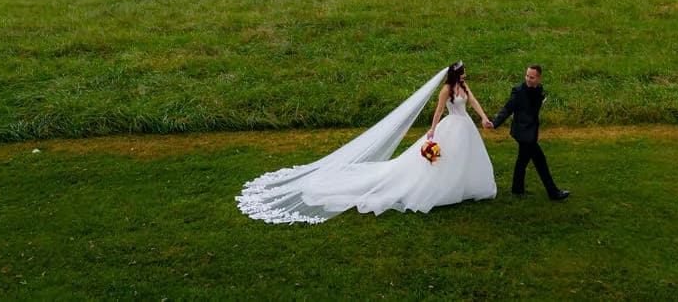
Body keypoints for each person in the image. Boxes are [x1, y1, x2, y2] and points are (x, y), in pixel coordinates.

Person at [236, 61, 496, 224]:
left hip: (466, 128)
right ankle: (443, 189)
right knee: (441, 161)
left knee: (465, 159)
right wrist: (431, 132)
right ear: (455, 75)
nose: (466, 75)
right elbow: (438, 112)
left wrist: (484, 119)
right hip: (450, 127)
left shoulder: (465, 87)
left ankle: (465, 187)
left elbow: (473, 104)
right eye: (463, 72)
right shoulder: (446, 91)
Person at [489, 64, 569, 201]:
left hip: (532, 131)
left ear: (538, 78)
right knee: (540, 161)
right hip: (523, 133)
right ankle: (553, 193)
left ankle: (517, 189)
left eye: (531, 77)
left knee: (522, 161)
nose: (528, 79)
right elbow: (507, 109)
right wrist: (495, 123)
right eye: (527, 76)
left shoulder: (539, 89)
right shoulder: (518, 91)